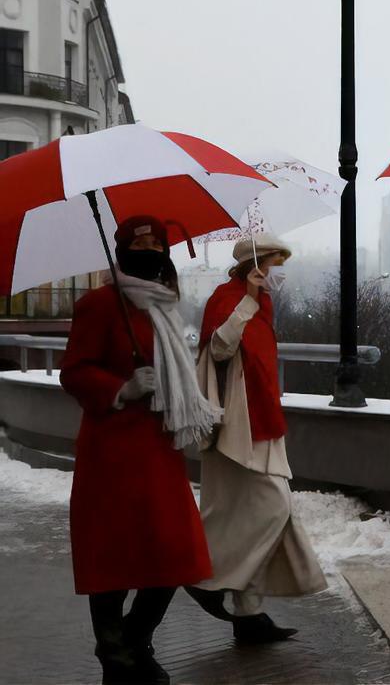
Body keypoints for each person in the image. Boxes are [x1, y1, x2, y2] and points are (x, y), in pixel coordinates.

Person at [60, 216, 219, 685]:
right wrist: (123, 387)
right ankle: (116, 657)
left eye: (156, 242)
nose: (149, 249)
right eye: (140, 242)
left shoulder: (164, 307)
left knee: (175, 554)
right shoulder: (98, 304)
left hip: (159, 445)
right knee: (113, 558)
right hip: (112, 449)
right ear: (122, 249)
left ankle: (134, 639)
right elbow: (75, 371)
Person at [187, 234, 326, 644]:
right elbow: (219, 348)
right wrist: (247, 299)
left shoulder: (262, 303)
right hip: (237, 427)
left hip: (261, 422)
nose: (279, 272)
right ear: (256, 266)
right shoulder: (228, 297)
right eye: (275, 263)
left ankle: (248, 615)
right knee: (269, 508)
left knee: (253, 515)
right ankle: (202, 576)